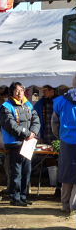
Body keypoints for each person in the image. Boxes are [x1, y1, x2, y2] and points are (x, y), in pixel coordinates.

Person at [0, 82, 40, 206]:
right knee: (16, 172)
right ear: (11, 92)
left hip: (28, 143)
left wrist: (33, 132)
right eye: (17, 91)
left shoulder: (28, 104)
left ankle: (23, 196)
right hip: (15, 143)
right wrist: (27, 134)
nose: (19, 93)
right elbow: (10, 125)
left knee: (27, 171)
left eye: (21, 90)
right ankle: (15, 197)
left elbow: (36, 119)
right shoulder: (6, 106)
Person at [51, 75, 76, 215]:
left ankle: (65, 205)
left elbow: (54, 123)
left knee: (66, 174)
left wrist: (59, 136)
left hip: (66, 141)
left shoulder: (60, 101)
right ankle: (74, 206)